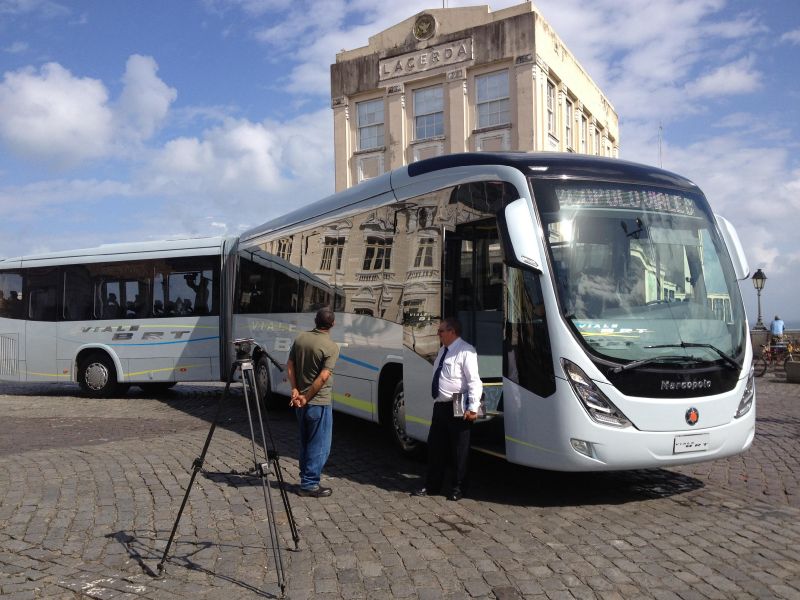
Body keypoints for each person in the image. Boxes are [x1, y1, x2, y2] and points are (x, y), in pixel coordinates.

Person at [413, 317, 482, 502]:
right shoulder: (443, 350)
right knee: (435, 447)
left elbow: (474, 381)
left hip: (458, 405)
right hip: (440, 406)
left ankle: (458, 487)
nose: (438, 334)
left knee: (459, 450)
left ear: (452, 332)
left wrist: (473, 407)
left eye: (441, 330)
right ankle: (433, 485)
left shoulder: (466, 351)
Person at [287, 307, 340, 498]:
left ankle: (305, 477)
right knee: (319, 445)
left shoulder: (301, 338)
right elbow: (324, 376)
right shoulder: (331, 346)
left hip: (300, 402)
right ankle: (309, 484)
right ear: (332, 324)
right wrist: (307, 396)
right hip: (318, 402)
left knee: (306, 441)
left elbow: (290, 364)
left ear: (315, 321)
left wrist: (295, 390)